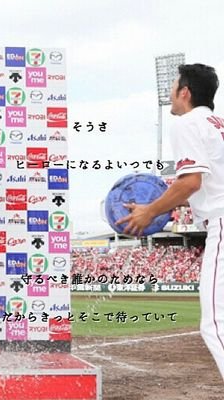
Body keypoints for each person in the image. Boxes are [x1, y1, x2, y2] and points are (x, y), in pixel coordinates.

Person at [117, 63, 224, 379]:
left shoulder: (187, 123)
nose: (169, 94)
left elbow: (191, 183)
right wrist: (155, 202)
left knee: (215, 324)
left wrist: (149, 212)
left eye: (173, 87)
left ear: (185, 92)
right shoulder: (217, 124)